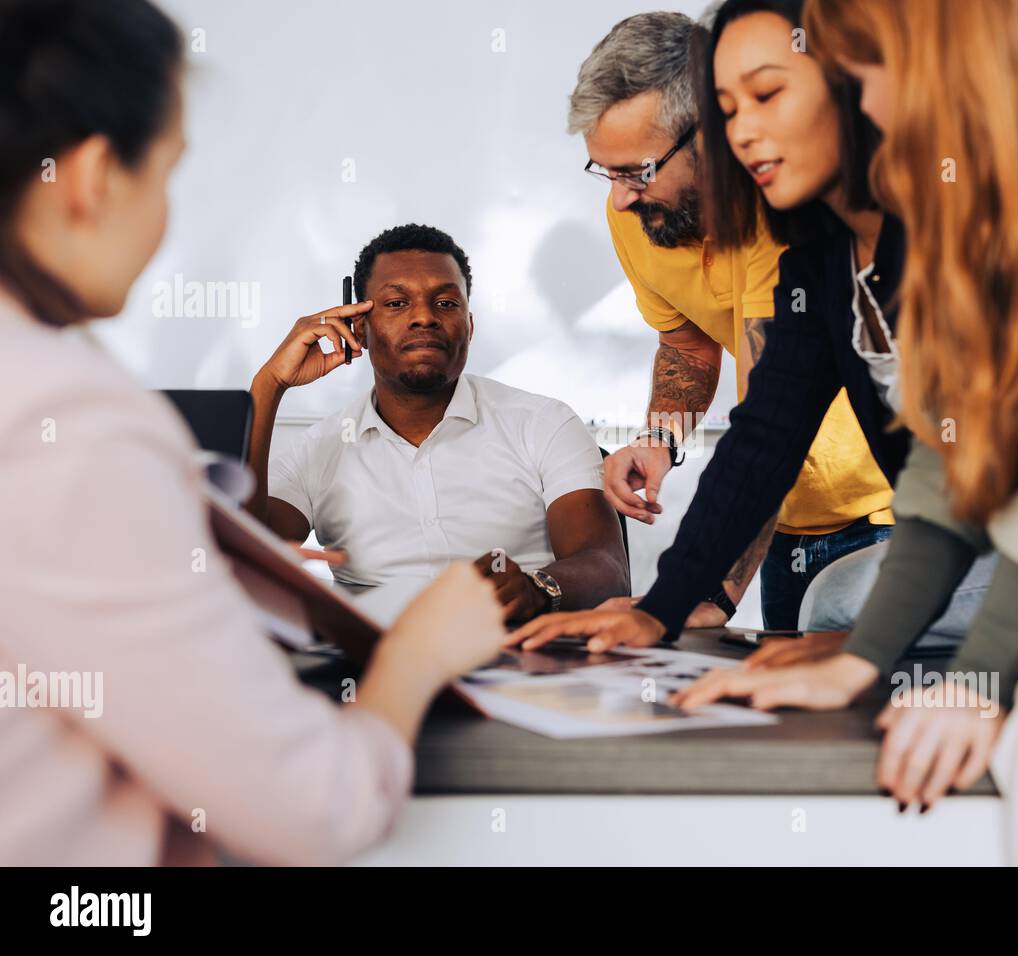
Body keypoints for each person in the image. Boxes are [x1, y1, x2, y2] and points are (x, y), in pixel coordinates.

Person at [533, 0, 1018, 864]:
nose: (870, 111)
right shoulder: (924, 208)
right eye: (732, 105)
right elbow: (929, 456)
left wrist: (970, 672)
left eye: (855, 76)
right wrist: (827, 651)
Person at [0, 0, 509, 866]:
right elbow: (314, 808)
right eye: (166, 175)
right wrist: (418, 655)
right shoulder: (68, 423)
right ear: (89, 177)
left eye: (444, 299)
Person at [570, 12, 899, 629]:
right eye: (606, 172)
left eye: (637, 171)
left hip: (894, 515)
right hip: (781, 526)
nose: (618, 198)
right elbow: (695, 354)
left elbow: (768, 419)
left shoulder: (790, 226)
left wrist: (710, 594)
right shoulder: (639, 211)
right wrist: (661, 439)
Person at [246, 223, 630, 622]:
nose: (425, 318)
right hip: (374, 668)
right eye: (397, 304)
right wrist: (269, 385)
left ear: (470, 325)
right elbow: (247, 563)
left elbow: (606, 568)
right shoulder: (317, 448)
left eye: (446, 303)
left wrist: (537, 589)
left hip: (521, 659)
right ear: (358, 326)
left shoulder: (544, 423)